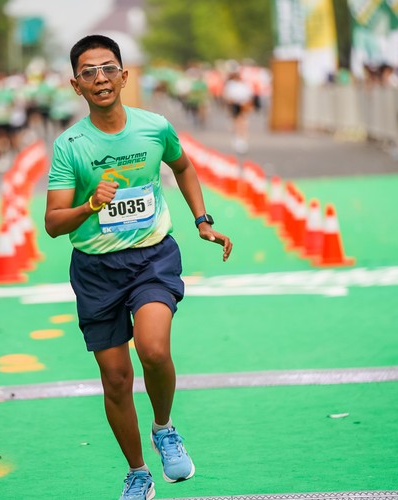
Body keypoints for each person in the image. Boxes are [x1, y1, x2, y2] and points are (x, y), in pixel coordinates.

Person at [45, 35, 232, 500]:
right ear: (76, 85)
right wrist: (89, 205)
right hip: (95, 269)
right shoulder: (70, 146)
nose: (100, 78)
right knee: (116, 379)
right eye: (89, 72)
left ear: (124, 76)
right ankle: (138, 472)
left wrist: (202, 220)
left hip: (152, 256)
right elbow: (53, 223)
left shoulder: (154, 127)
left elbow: (183, 167)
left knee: (153, 349)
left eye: (108, 68)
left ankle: (164, 428)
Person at [222, 68, 254, 154]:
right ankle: (238, 138)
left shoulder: (245, 84)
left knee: (243, 121)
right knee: (236, 121)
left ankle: (242, 139)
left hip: (243, 104)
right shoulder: (230, 84)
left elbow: (249, 95)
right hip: (234, 104)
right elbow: (226, 95)